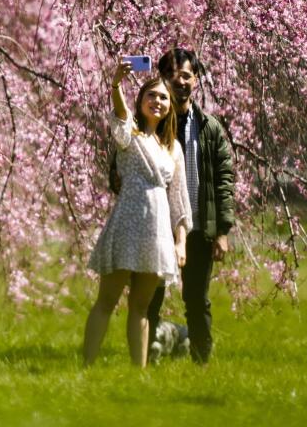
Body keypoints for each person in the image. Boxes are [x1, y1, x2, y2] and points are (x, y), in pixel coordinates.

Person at [83, 61, 192, 367]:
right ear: (141, 100)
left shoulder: (173, 149)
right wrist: (116, 84)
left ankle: (138, 373)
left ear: (170, 106)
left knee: (141, 307)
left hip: (156, 234)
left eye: (163, 98)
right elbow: (120, 114)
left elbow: (178, 200)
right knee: (106, 301)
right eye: (151, 96)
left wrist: (180, 241)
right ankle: (87, 366)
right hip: (128, 226)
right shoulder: (129, 135)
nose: (157, 102)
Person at [145, 47, 236, 363]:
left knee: (196, 298)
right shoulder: (151, 123)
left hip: (198, 226)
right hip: (159, 225)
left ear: (196, 80)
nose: (178, 81)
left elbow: (224, 180)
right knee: (151, 295)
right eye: (171, 75)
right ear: (161, 78)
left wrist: (222, 231)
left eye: (185, 75)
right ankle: (145, 357)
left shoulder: (209, 128)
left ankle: (201, 361)